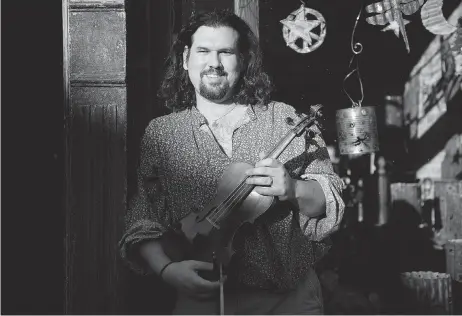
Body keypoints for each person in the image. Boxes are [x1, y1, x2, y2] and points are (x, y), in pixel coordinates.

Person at [119, 9, 345, 315]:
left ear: (244, 60)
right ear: (186, 60)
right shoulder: (162, 133)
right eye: (203, 51)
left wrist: (293, 188)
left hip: (285, 300)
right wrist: (167, 271)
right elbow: (144, 218)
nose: (214, 62)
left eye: (225, 51)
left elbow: (328, 200)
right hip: (199, 301)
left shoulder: (284, 119)